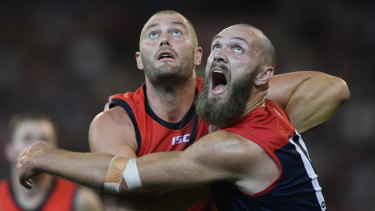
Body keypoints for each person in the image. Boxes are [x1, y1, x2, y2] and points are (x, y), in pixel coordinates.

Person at [18, 10, 350, 211]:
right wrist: (219, 173)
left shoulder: (237, 123)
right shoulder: (119, 121)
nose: (164, 40)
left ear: (195, 55)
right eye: (153, 34)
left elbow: (335, 88)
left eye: (176, 32)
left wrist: (41, 157)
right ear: (138, 59)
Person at [0, 113, 103, 211]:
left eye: (44, 139)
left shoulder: (81, 200)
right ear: (9, 150)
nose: (37, 146)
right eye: (27, 138)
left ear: (56, 149)